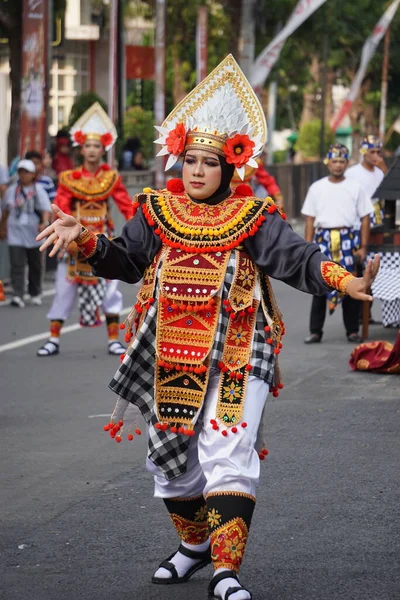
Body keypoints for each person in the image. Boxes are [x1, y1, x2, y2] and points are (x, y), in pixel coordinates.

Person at [37, 56, 379, 600]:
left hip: (242, 349)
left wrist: (344, 280)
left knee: (228, 450)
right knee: (170, 464)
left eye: (209, 162)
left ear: (230, 167)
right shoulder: (155, 211)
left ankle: (225, 570)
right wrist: (84, 238)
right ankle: (195, 547)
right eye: (190, 160)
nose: (196, 171)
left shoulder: (253, 218)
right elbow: (124, 261)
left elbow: (298, 260)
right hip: (170, 350)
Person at [37, 102, 134, 357]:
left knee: (110, 290)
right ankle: (53, 339)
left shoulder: (111, 178)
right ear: (82, 150)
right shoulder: (69, 178)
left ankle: (113, 339)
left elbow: (126, 206)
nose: (92, 150)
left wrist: (140, 228)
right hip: (74, 240)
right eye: (88, 146)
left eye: (97, 146)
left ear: (103, 149)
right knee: (64, 290)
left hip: (102, 239)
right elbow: (61, 207)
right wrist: (61, 233)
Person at [302, 144, 374, 344]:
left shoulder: (355, 187)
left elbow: (366, 217)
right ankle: (316, 331)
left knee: (350, 284)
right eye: (334, 161)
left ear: (346, 163)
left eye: (341, 161)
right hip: (323, 241)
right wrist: (307, 248)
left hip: (348, 240)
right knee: (319, 285)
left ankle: (352, 330)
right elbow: (309, 220)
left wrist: (363, 247)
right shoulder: (316, 188)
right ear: (328, 162)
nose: (337, 165)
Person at [0, 159, 51, 307]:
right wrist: (2, 228)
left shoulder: (38, 190)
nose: (23, 175)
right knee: (17, 264)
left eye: (26, 172)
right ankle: (18, 294)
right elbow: (5, 211)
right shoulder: (11, 191)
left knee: (35, 264)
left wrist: (44, 223)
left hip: (34, 232)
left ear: (33, 174)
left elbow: (45, 210)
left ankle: (35, 293)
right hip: (15, 231)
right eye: (21, 172)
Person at [346, 135, 387, 228]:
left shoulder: (380, 172)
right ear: (364, 152)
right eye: (372, 152)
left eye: (378, 152)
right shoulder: (352, 173)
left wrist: (384, 169)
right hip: (360, 215)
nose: (375, 156)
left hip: (379, 214)